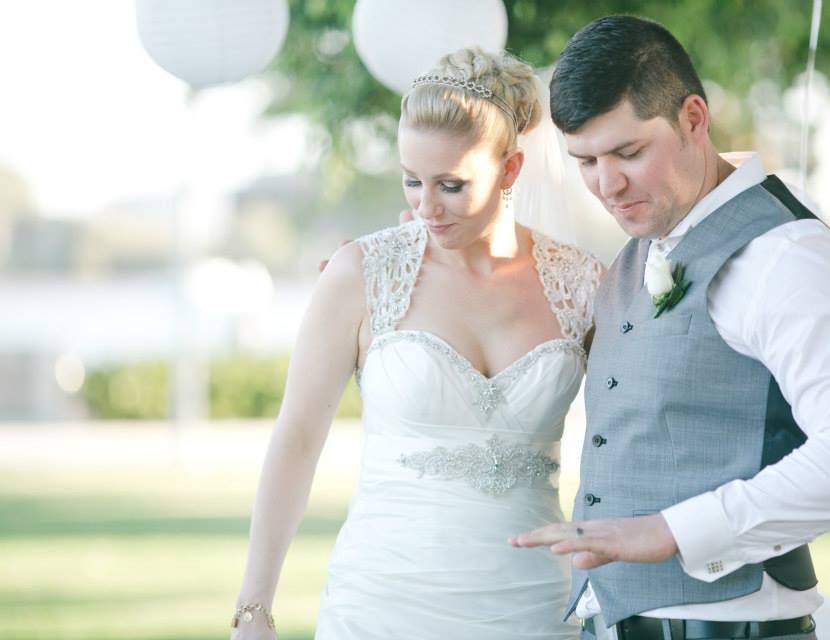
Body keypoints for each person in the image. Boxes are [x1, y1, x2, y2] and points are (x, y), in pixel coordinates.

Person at [510, 15, 830, 640]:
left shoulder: (787, 255)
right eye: (584, 161)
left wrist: (672, 530)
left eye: (629, 152)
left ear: (694, 119)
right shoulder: (638, 251)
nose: (607, 185)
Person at [230, 47, 603, 640]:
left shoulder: (582, 285)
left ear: (510, 170)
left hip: (532, 607)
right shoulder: (361, 274)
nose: (426, 206)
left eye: (451, 185)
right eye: (412, 180)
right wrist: (254, 609)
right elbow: (297, 439)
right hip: (383, 605)